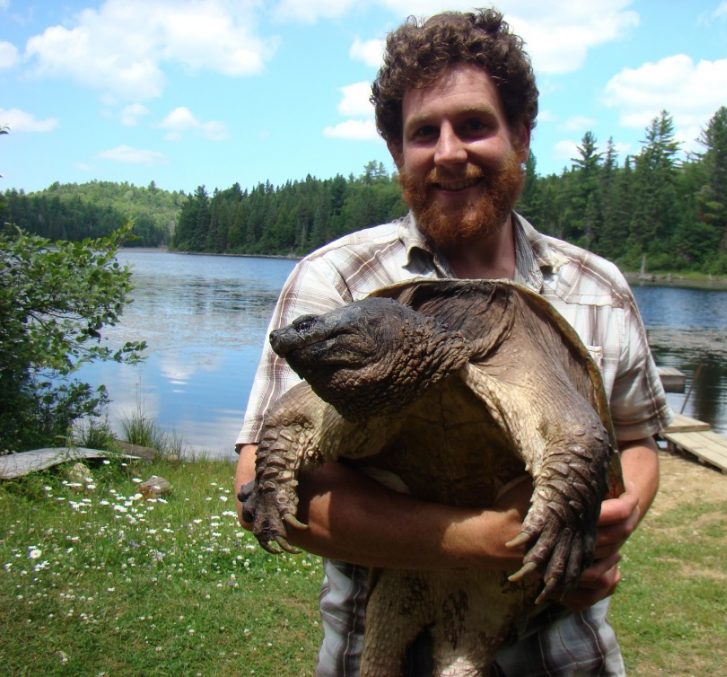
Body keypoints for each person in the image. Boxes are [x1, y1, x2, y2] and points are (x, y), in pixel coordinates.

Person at [234, 9, 672, 676]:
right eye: (422, 133)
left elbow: (638, 439)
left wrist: (621, 513)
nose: (448, 152)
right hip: (374, 647)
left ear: (521, 135)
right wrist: (485, 541)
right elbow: (262, 490)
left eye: (473, 124)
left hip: (566, 651)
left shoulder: (598, 288)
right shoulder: (335, 281)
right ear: (395, 151)